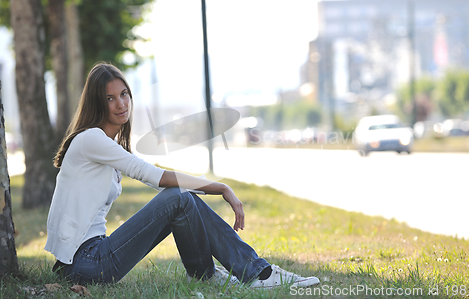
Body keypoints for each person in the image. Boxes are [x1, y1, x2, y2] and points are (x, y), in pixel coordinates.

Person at [45, 62, 320, 289]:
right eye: (109, 98)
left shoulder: (101, 143)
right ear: (97, 103)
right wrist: (219, 187)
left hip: (86, 260)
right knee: (178, 198)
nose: (120, 103)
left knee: (182, 201)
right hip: (86, 262)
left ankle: (209, 274)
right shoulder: (91, 140)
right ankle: (256, 273)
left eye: (124, 94)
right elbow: (152, 175)